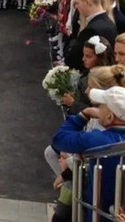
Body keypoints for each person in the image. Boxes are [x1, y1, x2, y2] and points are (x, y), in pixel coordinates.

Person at [52, 86, 125, 219]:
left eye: (101, 106)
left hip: (98, 214)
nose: (97, 108)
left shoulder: (98, 140)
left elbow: (59, 138)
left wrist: (83, 115)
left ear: (110, 117)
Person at [66, 0, 118, 70]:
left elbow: (74, 58)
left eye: (77, 3)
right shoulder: (110, 23)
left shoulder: (91, 29)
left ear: (87, 2)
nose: (75, 6)